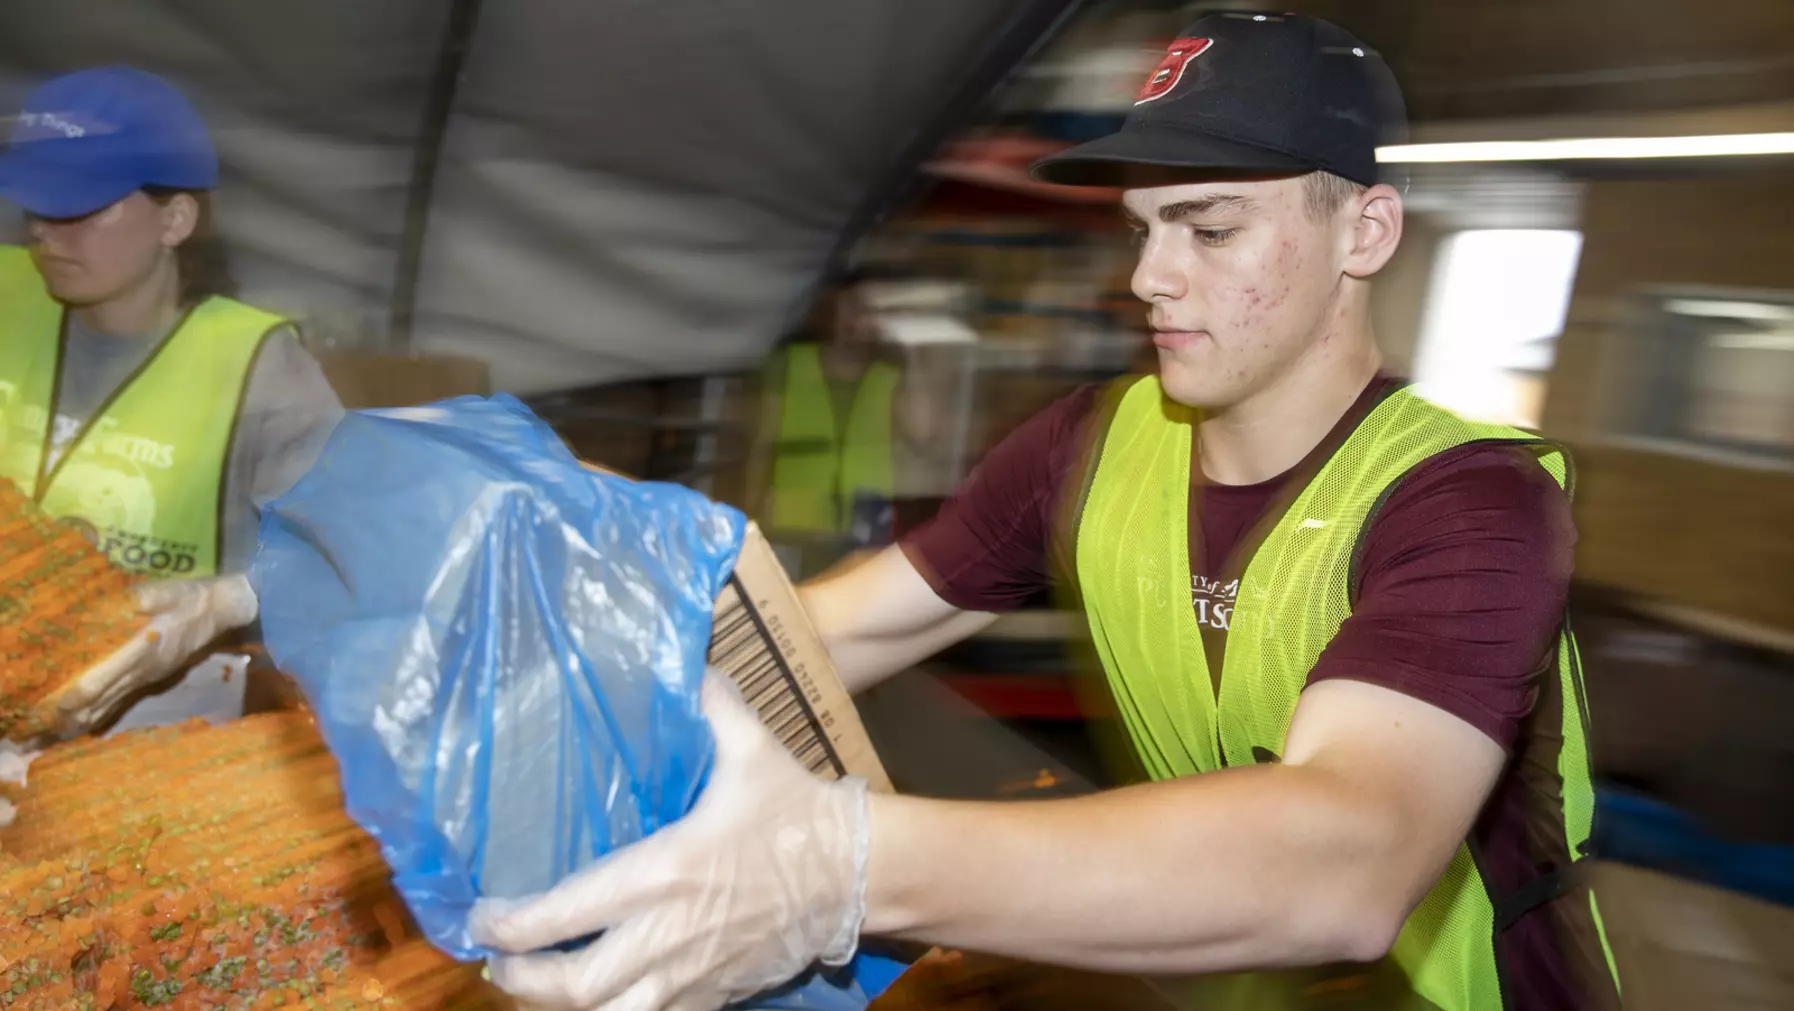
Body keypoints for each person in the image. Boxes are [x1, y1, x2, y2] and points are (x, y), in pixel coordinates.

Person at [471, 14, 1618, 1011]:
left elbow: (1349, 865)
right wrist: (567, 685)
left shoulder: (1472, 503)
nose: (1148, 278)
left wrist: (840, 864)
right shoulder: (1090, 445)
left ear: (1364, 231)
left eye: (1209, 229)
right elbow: (841, 631)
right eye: (1143, 228)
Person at [0, 67, 343, 733]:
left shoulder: (255, 365)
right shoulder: (5, 295)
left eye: (80, 207)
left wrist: (224, 600)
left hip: (150, 729)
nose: (47, 231)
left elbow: (354, 547)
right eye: (38, 205)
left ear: (176, 218)